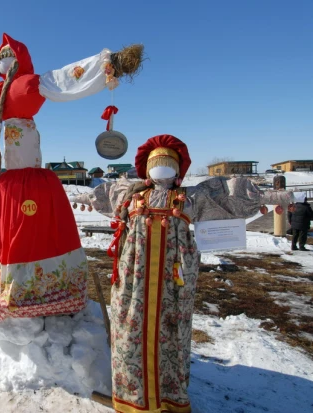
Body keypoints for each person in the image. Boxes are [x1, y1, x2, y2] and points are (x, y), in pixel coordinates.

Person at [72, 135, 295, 413]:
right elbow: (100, 195)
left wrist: (277, 196)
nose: (161, 170)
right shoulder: (130, 195)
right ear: (147, 168)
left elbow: (230, 195)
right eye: (156, 164)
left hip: (174, 281)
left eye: (168, 164)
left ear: (178, 170)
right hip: (134, 281)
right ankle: (132, 399)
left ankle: (169, 399)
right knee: (130, 331)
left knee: (172, 332)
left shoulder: (192, 198)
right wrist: (76, 195)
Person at [0, 33, 144, 322]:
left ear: (21, 60)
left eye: (9, 55)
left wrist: (109, 63)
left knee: (37, 226)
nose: (4, 60)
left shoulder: (32, 84)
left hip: (29, 175)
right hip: (9, 178)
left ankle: (47, 291)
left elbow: (67, 77)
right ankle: (7, 289)